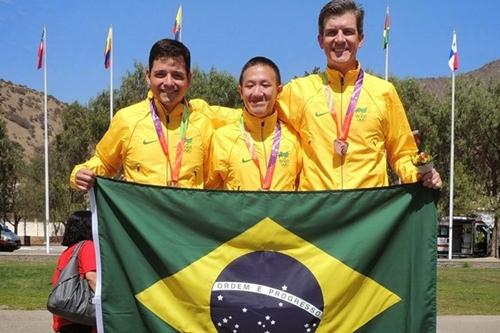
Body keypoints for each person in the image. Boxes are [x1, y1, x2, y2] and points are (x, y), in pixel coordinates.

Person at [277, 0, 442, 190]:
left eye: (348, 31)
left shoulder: (383, 92)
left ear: (360, 39)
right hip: (318, 213)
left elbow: (403, 153)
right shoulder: (297, 91)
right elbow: (253, 118)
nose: (340, 39)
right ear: (320, 41)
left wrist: (421, 174)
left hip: (368, 212)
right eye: (331, 32)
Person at [70, 39, 216, 190]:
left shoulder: (204, 124)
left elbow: (215, 183)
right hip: (140, 213)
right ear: (148, 76)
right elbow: (103, 162)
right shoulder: (127, 119)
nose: (169, 82)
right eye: (160, 74)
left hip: (187, 213)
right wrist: (79, 174)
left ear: (189, 79)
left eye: (177, 75)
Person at [206, 57, 302, 191]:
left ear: (278, 91)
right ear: (240, 92)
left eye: (265, 85)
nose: (257, 93)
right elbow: (210, 195)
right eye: (250, 86)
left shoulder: (294, 138)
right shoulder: (221, 138)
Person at [52, 211, 96, 333]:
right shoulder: (87, 246)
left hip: (66, 317)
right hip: (82, 318)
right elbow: (92, 277)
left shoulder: (68, 252)